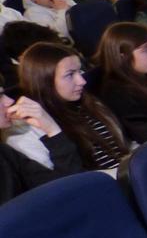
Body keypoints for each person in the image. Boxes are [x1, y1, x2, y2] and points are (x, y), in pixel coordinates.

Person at [16, 42, 130, 172]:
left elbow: (123, 151)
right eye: (70, 75)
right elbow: (71, 181)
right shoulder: (34, 130)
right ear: (44, 82)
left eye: (80, 71)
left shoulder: (88, 103)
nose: (82, 81)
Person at [0, 76, 84, 205]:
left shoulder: (5, 153)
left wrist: (52, 130)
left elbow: (69, 187)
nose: (9, 101)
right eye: (0, 97)